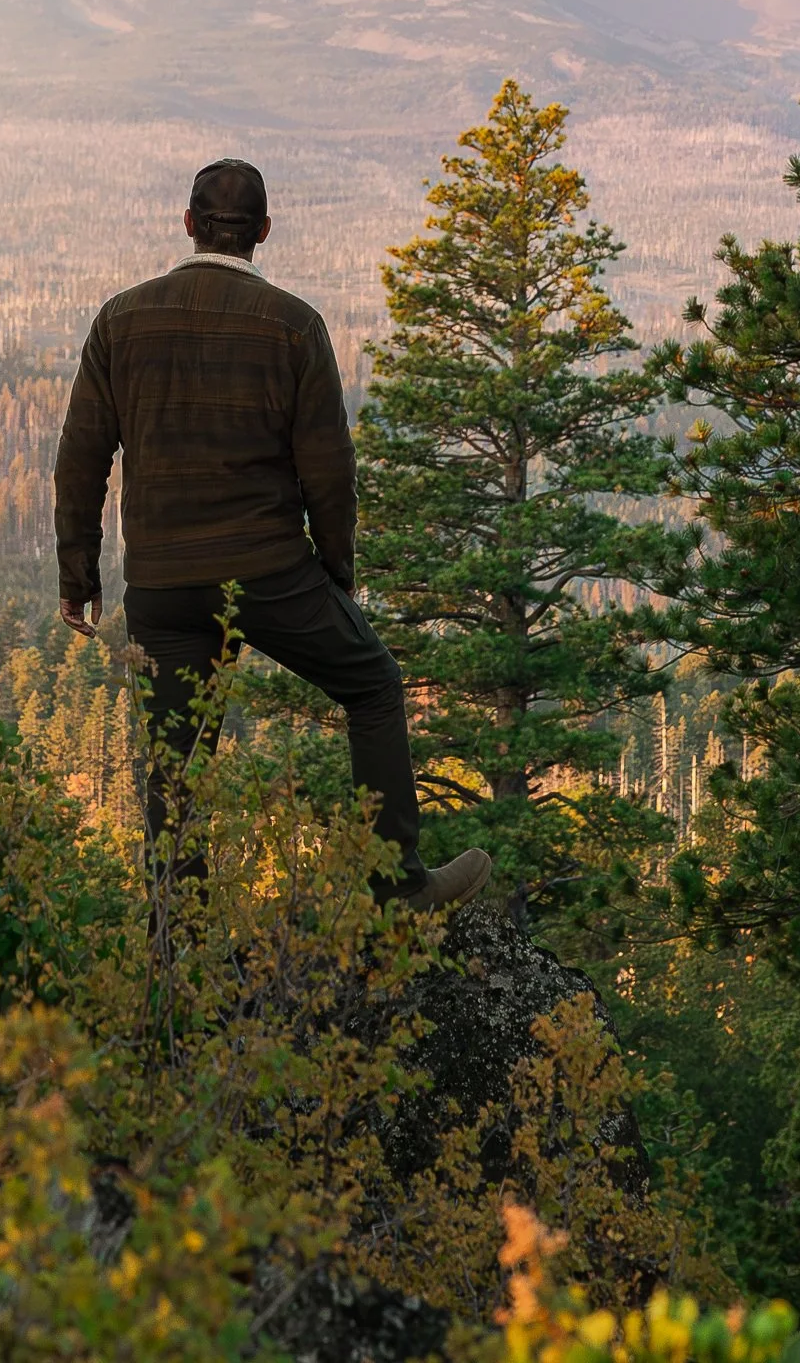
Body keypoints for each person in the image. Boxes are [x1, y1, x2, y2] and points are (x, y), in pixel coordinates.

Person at [53, 157, 490, 911]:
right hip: (269, 574)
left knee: (176, 767)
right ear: (262, 232)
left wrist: (79, 575)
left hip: (160, 581)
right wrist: (336, 574)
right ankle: (397, 888)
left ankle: (177, 950)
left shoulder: (121, 320)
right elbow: (329, 469)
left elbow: (81, 457)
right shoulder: (293, 326)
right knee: (375, 686)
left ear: (189, 225)